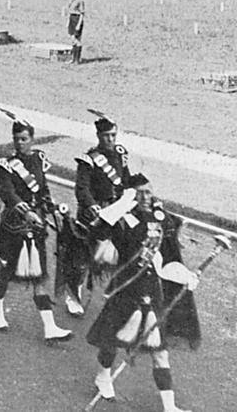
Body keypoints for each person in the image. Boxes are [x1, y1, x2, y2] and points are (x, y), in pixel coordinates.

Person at [85, 174, 200, 411]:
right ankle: (103, 376)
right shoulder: (121, 220)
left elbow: (168, 259)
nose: (147, 197)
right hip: (126, 291)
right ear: (130, 196)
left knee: (160, 352)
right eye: (140, 193)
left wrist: (186, 276)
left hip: (151, 293)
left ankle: (170, 406)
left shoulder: (161, 219)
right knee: (111, 342)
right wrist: (122, 204)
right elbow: (96, 233)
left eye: (149, 191)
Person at [0, 113, 74, 342]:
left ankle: (50, 326)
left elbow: (43, 189)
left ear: (32, 139)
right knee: (4, 271)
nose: (20, 142)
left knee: (38, 276)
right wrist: (25, 211)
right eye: (16, 138)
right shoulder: (5, 165)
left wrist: (50, 206)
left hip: (36, 227)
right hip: (13, 225)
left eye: (24, 138)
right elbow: (7, 192)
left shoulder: (39, 160)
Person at [71, 112, 134, 315]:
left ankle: (119, 298)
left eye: (113, 135)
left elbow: (126, 180)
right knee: (84, 259)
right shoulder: (88, 159)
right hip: (94, 215)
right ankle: (73, 296)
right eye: (106, 135)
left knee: (123, 255)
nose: (111, 139)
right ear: (98, 135)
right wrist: (91, 206)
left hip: (115, 213)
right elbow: (82, 189)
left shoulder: (120, 155)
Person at [67, 0, 85, 64]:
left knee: (76, 39)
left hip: (77, 19)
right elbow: (70, 11)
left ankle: (77, 59)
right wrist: (68, 21)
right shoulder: (72, 0)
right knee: (72, 39)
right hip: (71, 18)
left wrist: (79, 24)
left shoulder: (80, 1)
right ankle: (73, 59)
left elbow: (82, 13)